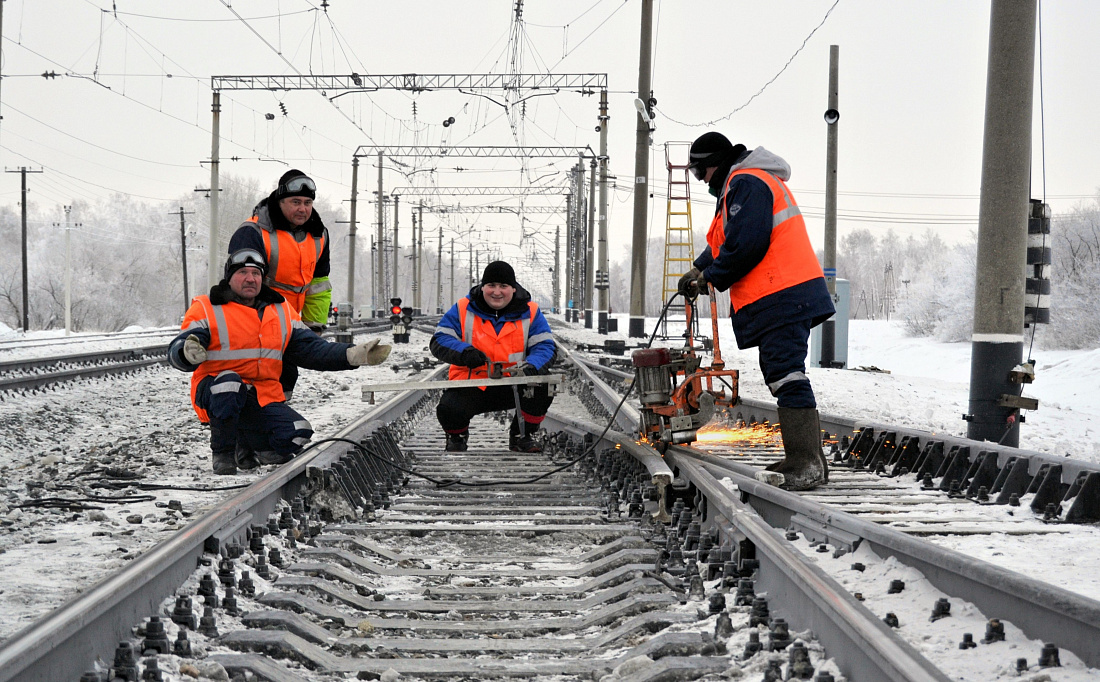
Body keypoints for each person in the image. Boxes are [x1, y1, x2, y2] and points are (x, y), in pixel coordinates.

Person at [679, 132, 835, 490]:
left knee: (786, 372)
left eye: (700, 172)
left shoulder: (746, 181)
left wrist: (711, 278)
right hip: (782, 293)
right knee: (782, 370)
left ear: (713, 164)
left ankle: (806, 462)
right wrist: (698, 268)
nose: (702, 181)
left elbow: (747, 243)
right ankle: (809, 460)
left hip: (783, 291)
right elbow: (726, 241)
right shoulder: (744, 183)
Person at [169, 249, 391, 475]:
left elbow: (312, 348)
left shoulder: (281, 309)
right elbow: (183, 345)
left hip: (260, 396)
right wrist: (186, 352)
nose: (250, 279)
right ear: (229, 277)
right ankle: (224, 453)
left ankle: (251, 446)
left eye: (256, 273)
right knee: (229, 382)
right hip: (216, 393)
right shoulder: (207, 307)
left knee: (298, 433)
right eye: (243, 272)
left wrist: (352, 355)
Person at [430, 261, 556, 453]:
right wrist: (465, 352)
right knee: (448, 409)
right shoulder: (463, 307)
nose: (497, 292)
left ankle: (522, 436)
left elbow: (545, 346)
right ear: (482, 287)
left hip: (514, 383)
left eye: (503, 286)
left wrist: (533, 366)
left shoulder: (530, 311)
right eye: (491, 285)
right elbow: (440, 339)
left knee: (544, 387)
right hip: (473, 383)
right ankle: (457, 437)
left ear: (513, 289)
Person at [228, 169, 331, 400]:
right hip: (256, 329)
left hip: (290, 328)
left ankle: (277, 422)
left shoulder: (319, 235)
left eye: (307, 203)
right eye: (295, 202)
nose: (302, 209)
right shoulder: (252, 233)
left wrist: (313, 328)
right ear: (279, 200)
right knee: (256, 386)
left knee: (285, 379)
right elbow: (241, 285)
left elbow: (319, 286)